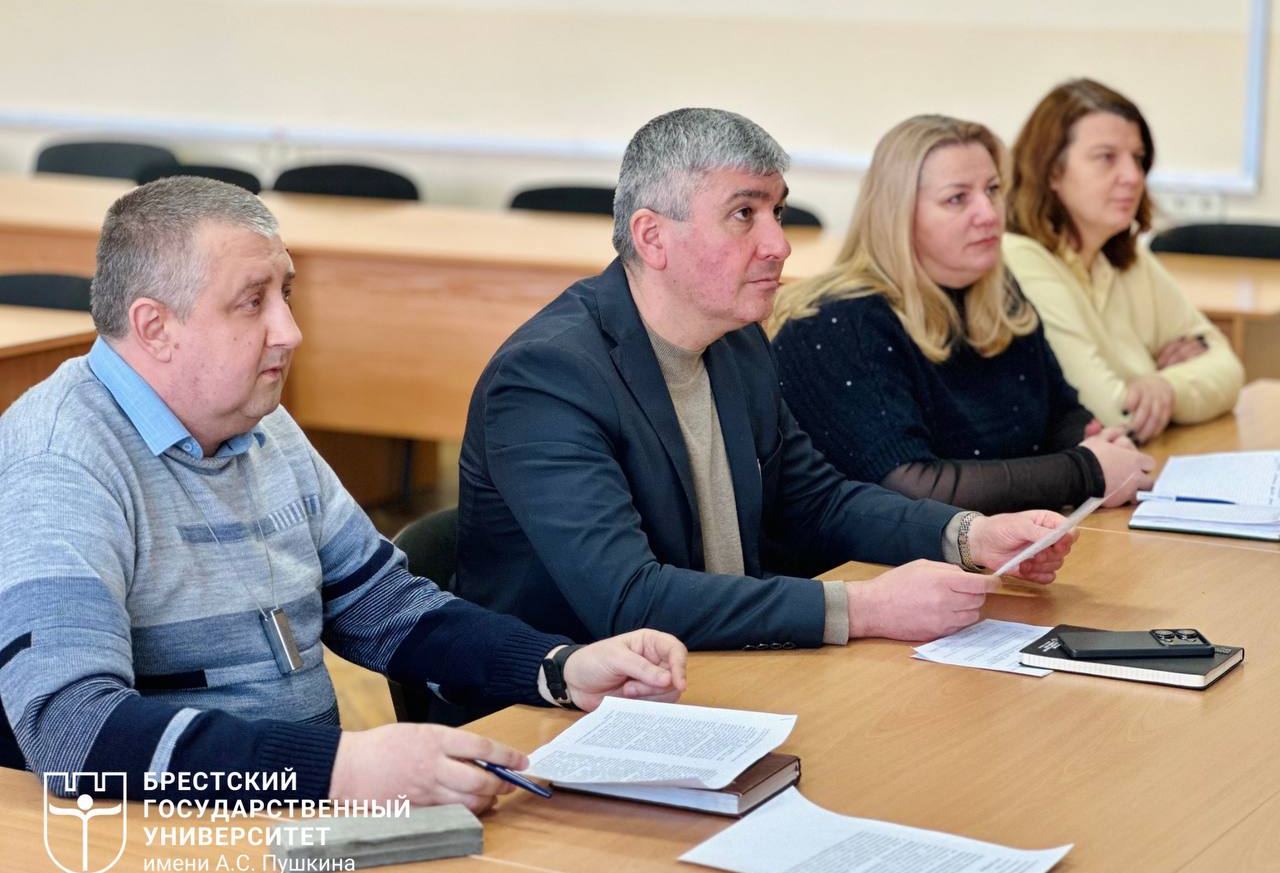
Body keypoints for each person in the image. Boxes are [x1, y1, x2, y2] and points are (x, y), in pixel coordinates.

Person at [0, 177, 687, 810]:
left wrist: (557, 667)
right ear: (156, 327)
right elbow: (72, 732)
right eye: (253, 302)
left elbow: (380, 606)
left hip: (291, 817)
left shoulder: (260, 425)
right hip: (166, 843)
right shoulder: (61, 460)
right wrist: (339, 770)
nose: (290, 332)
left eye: (286, 294)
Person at [455, 107, 1077, 654]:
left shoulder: (737, 341)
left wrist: (968, 534)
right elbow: (627, 598)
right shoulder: (548, 377)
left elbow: (815, 501)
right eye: (743, 214)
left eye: (776, 211)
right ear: (652, 237)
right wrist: (864, 608)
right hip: (559, 707)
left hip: (721, 663)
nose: (779, 244)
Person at [768, 115, 1155, 514]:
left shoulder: (999, 293)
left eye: (993, 190)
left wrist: (1095, 440)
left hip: (1006, 539)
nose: (989, 214)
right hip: (868, 554)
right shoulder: (837, 323)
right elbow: (910, 485)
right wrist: (1087, 470)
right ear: (898, 214)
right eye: (957, 198)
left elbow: (1060, 411)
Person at [1004, 78, 1244, 442]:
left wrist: (1165, 387)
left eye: (1138, 158)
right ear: (1052, 170)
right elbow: (1108, 413)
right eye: (1106, 157)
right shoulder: (1020, 258)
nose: (1133, 177)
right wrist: (1162, 379)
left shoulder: (1125, 257)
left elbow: (1230, 369)